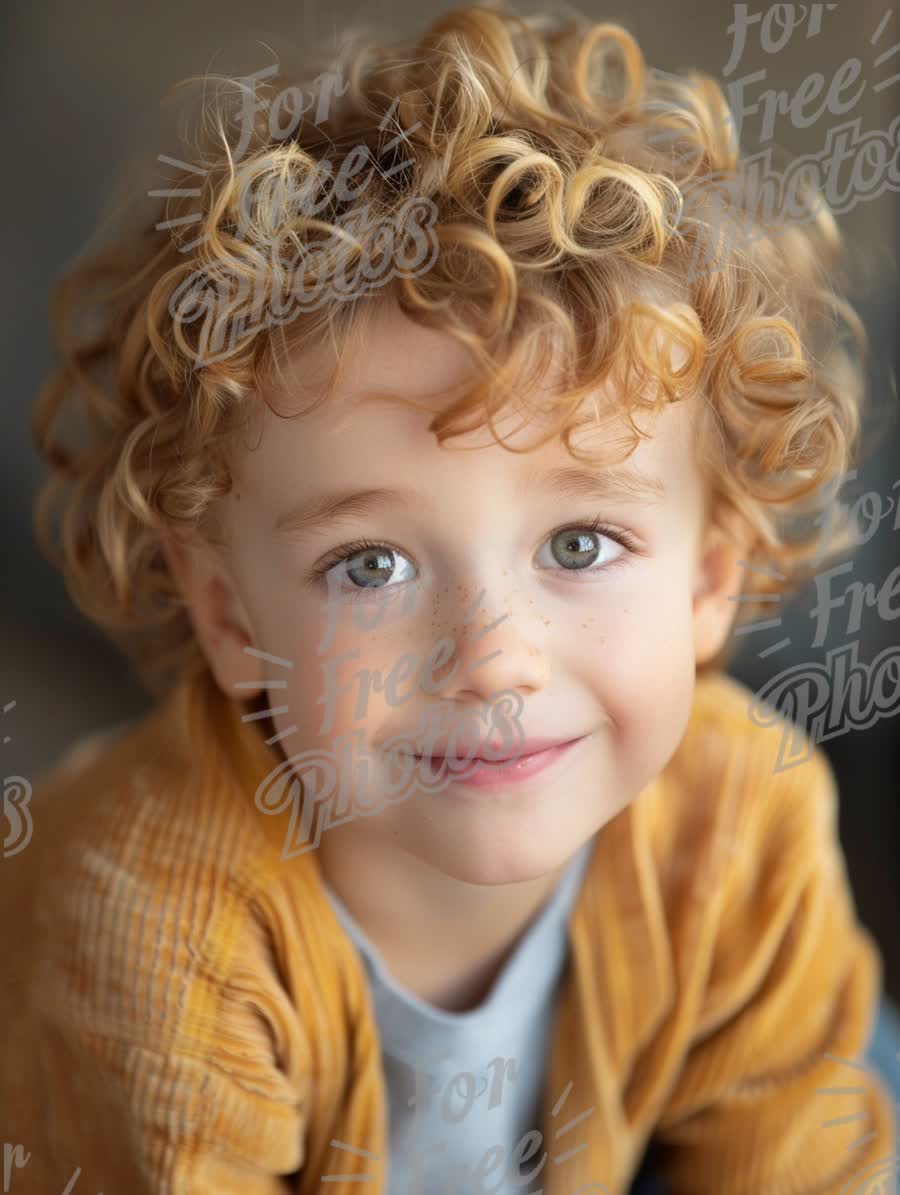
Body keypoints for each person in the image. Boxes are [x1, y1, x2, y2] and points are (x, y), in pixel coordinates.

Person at [2, 4, 896, 1192]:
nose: (493, 660)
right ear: (229, 616)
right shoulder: (161, 934)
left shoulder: (743, 834)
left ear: (711, 577)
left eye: (580, 541)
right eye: (371, 564)